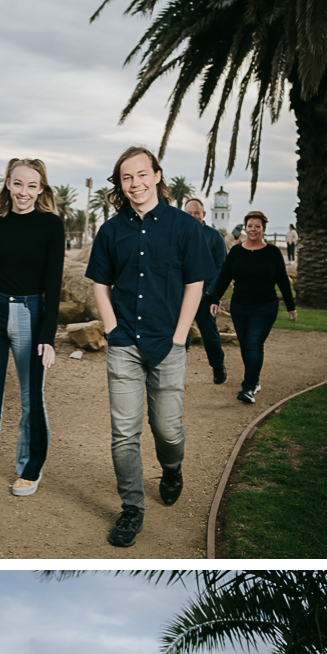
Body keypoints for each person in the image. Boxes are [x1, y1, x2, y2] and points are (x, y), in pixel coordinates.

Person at [86, 146, 216, 548]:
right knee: (124, 433)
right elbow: (99, 283)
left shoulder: (185, 227)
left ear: (157, 175)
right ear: (120, 184)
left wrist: (180, 336)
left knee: (167, 427)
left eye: (142, 175)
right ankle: (132, 509)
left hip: (168, 344)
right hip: (124, 343)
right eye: (127, 178)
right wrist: (111, 329)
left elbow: (196, 283)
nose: (135, 184)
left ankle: (172, 467)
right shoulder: (110, 231)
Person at [0, 158, 65, 525]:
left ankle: (30, 468)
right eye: (17, 184)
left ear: (41, 189)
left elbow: (53, 286)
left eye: (32, 186)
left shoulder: (51, 226)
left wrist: (48, 337)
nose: (23, 192)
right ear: (7, 184)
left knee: (32, 399)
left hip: (32, 317)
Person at [209, 210, 297, 405]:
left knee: (253, 343)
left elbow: (282, 280)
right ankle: (254, 381)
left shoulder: (272, 252)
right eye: (250, 226)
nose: (253, 229)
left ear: (263, 229)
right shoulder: (237, 251)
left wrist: (291, 306)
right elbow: (224, 277)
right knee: (246, 345)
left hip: (265, 306)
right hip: (239, 306)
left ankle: (248, 387)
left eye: (258, 226)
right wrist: (215, 299)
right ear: (245, 228)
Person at [183, 197, 229, 383]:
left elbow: (223, 267)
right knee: (179, 336)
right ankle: (175, 372)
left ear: (203, 214)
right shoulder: (178, 235)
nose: (193, 217)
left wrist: (212, 292)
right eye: (189, 214)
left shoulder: (215, 236)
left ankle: (218, 366)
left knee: (210, 336)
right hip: (182, 296)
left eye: (197, 213)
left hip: (206, 296)